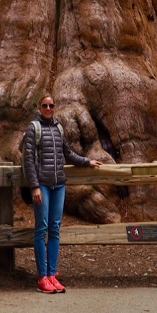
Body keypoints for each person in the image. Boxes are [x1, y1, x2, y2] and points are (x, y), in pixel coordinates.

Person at [21, 94, 102, 293]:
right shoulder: (33, 129)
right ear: (39, 107)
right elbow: (28, 160)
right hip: (42, 185)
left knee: (55, 229)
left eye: (51, 106)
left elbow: (68, 153)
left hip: (59, 186)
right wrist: (34, 186)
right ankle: (42, 277)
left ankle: (52, 275)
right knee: (42, 228)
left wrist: (87, 162)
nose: (48, 108)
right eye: (45, 105)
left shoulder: (58, 128)